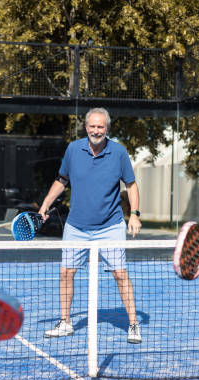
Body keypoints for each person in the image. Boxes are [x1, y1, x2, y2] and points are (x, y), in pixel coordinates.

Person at [40, 107, 143, 344]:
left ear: (107, 128)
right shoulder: (73, 149)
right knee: (66, 272)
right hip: (76, 226)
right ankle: (65, 322)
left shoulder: (118, 152)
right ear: (86, 127)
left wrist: (134, 214)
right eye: (92, 126)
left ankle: (133, 324)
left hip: (111, 226)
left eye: (101, 127)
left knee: (120, 274)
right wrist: (45, 204)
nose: (96, 130)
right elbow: (61, 179)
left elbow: (131, 184)